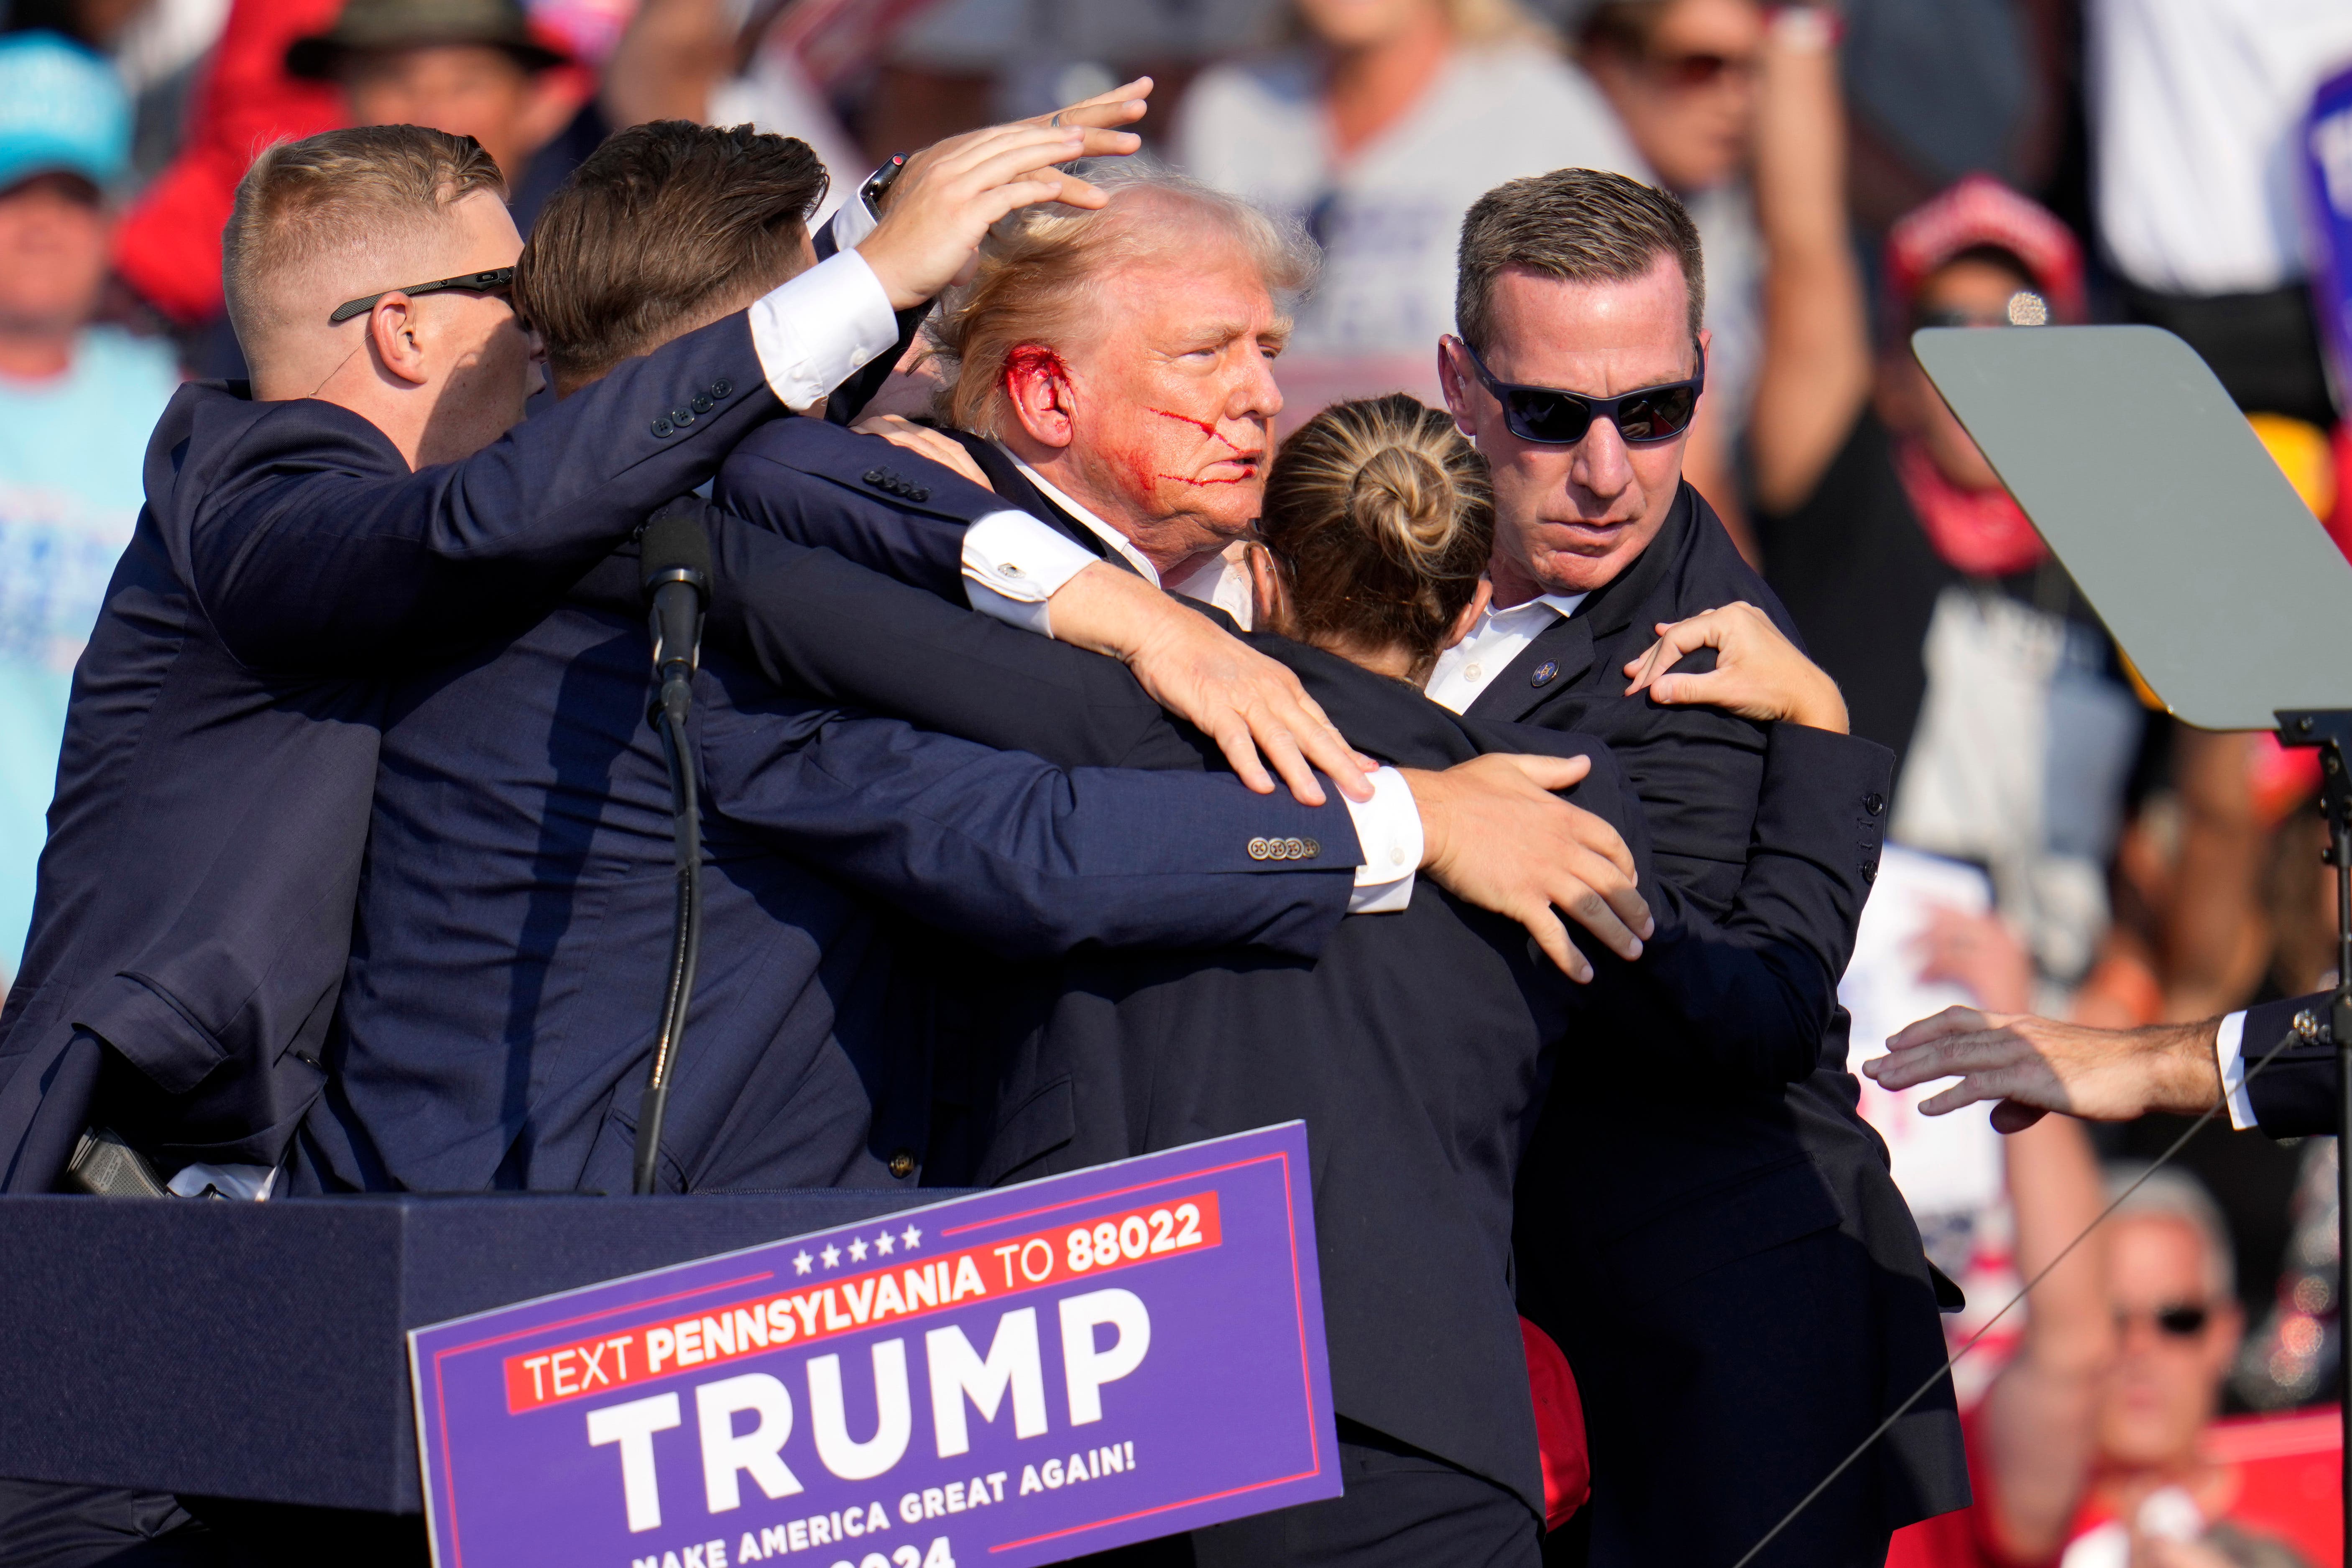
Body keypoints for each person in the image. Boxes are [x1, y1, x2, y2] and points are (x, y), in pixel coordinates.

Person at [304, 122, 1618, 1199]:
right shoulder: (670, 594)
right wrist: (1410, 817)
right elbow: (1020, 842)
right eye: (825, 326)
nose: (1262, 396)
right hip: (578, 1310)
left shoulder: (509, 555)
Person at [0, 95, 1156, 1200]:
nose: (543, 320)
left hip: (298, 1190)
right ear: (403, 330)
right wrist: (864, 277)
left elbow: (644, 429)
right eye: (508, 287)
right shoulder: (255, 495)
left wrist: (891, 221)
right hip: (124, 1198)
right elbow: (519, 505)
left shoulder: (464, 500)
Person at [1408, 165, 1965, 1565]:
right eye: (1549, 415)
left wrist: (1825, 741)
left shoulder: (1707, 665)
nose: (1607, 470)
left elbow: (1749, 1011)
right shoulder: (1378, 545)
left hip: (1725, 1341)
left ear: (1705, 374)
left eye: (1652, 412)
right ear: (1460, 386)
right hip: (1524, 1325)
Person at [1172, 0, 1642, 419]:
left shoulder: (1542, 110)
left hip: (1460, 504)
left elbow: (1644, 351)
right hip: (1269, 504)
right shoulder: (1225, 111)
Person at [1897, 1166, 2331, 1568]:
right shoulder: (1982, 1497)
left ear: (2226, 1334)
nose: (2141, 1348)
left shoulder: (2327, 1480)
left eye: (2178, 1320)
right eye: (2113, 1320)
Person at [0, 33, 179, 990]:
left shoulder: (173, 416)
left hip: (86, 963)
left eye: (69, 198)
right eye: (10, 194)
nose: (39, 226)